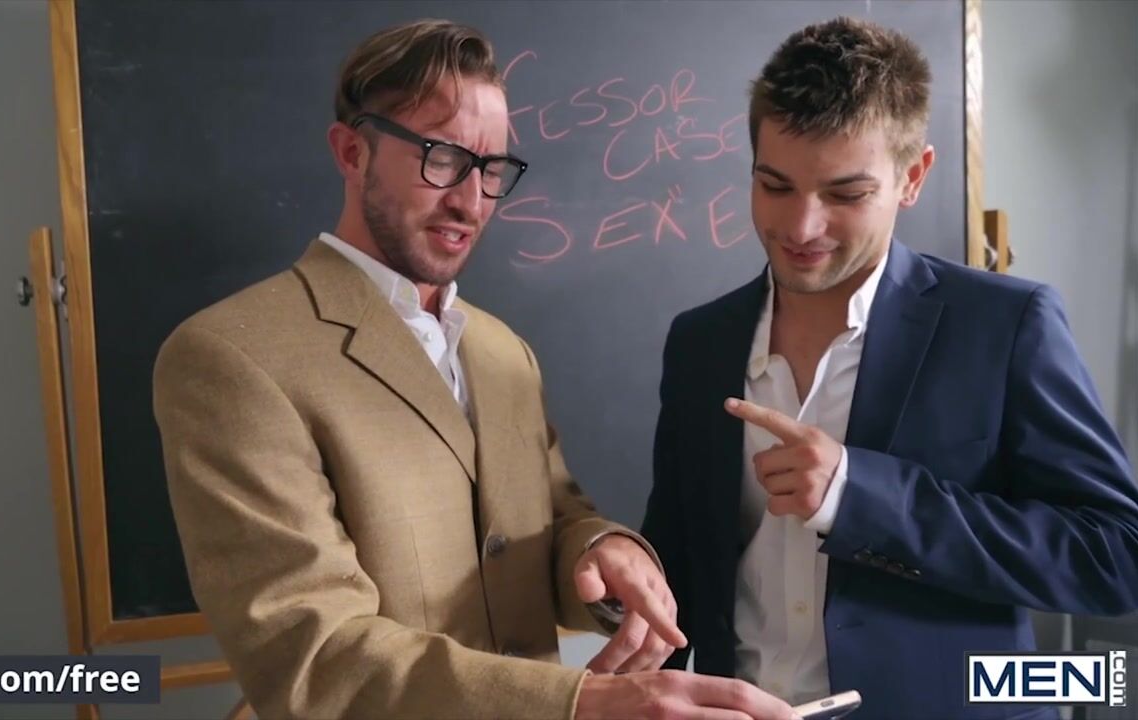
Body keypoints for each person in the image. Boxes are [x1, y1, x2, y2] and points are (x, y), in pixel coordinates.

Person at [153, 18, 797, 720]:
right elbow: (314, 656)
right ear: (352, 151)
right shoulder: (233, 356)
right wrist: (581, 702)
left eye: (491, 170)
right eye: (442, 157)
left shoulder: (501, 350)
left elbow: (553, 519)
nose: (471, 200)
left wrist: (603, 550)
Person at [641, 16, 1138, 720]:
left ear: (913, 177)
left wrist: (860, 495)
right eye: (774, 185)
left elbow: (1116, 555)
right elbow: (674, 571)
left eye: (845, 195)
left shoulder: (1006, 325)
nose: (801, 227)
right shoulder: (698, 342)